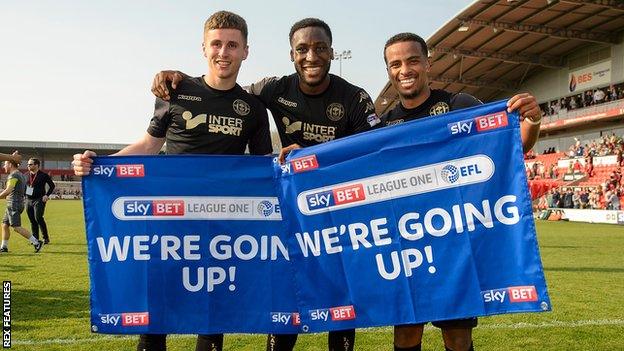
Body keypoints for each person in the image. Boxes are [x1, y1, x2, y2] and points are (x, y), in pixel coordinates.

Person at [151, 17, 380, 351]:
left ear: (332, 53)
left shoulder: (354, 98)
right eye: (302, 49)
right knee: (286, 292)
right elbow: (224, 88)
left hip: (337, 210)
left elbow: (372, 153)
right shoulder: (273, 89)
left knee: (339, 296)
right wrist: (182, 80)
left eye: (319, 48)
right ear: (291, 54)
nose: (311, 56)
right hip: (291, 212)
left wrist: (317, 157)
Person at [72, 11, 272, 351]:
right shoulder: (176, 90)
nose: (223, 52)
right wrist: (98, 164)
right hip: (170, 220)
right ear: (203, 48)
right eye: (217, 44)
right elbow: (149, 145)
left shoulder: (252, 108)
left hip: (221, 226)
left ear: (245, 51)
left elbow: (264, 166)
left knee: (213, 314)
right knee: (156, 315)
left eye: (232, 45)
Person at [380, 32, 541, 351]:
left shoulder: (461, 106)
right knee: (406, 334)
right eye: (395, 64)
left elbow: (509, 147)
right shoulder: (382, 126)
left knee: (457, 336)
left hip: (455, 245)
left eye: (412, 60)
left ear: (427, 62)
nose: (405, 70)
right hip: (407, 245)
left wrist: (532, 121)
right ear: (389, 71)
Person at [1, 160, 44, 253]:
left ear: (10, 165)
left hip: (13, 204)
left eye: (5, 164)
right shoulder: (21, 174)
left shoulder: (13, 175)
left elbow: (8, 190)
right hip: (16, 203)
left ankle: (36, 242)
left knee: (16, 227)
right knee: (5, 225)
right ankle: (4, 247)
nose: (4, 166)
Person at [25, 158, 55, 244]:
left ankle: (45, 238)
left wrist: (47, 195)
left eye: (30, 164)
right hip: (28, 200)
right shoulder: (25, 175)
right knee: (32, 220)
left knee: (38, 218)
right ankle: (35, 239)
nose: (28, 166)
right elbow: (24, 187)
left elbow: (52, 186)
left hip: (39, 199)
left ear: (36, 165)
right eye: (28, 164)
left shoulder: (44, 175)